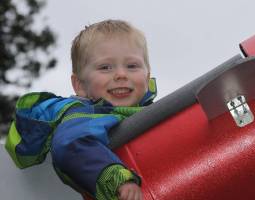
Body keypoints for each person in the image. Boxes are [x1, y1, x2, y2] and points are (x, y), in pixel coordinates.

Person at [5, 19, 157, 200]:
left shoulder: (157, 115)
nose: (121, 74)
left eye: (132, 65)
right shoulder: (84, 117)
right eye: (105, 67)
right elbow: (71, 144)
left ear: (147, 78)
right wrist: (116, 179)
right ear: (80, 85)